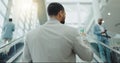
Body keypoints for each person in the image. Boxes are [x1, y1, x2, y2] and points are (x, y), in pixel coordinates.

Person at [22, 2, 93, 62]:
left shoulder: (30, 35)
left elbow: (25, 61)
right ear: (60, 13)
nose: (65, 15)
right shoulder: (72, 32)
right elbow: (88, 57)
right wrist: (83, 37)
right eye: (65, 13)